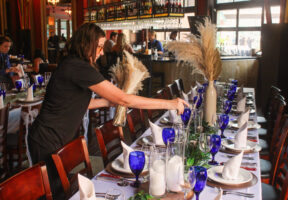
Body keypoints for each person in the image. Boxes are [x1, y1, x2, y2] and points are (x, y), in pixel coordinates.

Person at [28, 23, 188, 199]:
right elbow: (124, 99)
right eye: (99, 47)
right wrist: (170, 104)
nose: (102, 52)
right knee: (54, 193)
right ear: (86, 44)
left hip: (53, 135)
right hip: (46, 138)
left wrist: (105, 102)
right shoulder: (78, 67)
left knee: (60, 191)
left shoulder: (74, 64)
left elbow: (74, 102)